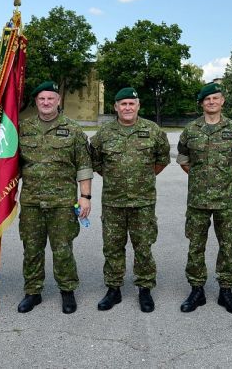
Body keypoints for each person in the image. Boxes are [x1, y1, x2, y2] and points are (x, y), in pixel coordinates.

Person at [90, 87, 170, 313]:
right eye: (123, 104)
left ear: (138, 106)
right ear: (115, 107)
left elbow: (162, 160)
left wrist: (142, 178)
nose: (127, 108)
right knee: (112, 247)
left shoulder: (153, 131)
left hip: (143, 202)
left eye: (131, 104)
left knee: (143, 246)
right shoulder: (104, 134)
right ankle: (113, 288)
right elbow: (95, 161)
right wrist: (114, 177)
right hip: (113, 202)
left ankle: (145, 288)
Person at [17, 81, 93, 314]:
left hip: (62, 203)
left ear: (58, 100)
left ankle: (67, 291)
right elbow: (12, 164)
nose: (46, 102)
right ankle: (33, 292)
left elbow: (84, 165)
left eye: (50, 98)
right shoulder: (23, 128)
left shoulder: (73, 129)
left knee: (62, 249)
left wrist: (85, 196)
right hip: (31, 201)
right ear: (36, 102)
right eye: (42, 99)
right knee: (32, 249)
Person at [176, 82, 232, 314]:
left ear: (222, 101)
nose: (211, 102)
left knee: (227, 246)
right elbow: (183, 159)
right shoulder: (191, 130)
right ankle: (197, 290)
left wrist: (223, 179)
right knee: (196, 246)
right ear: (202, 103)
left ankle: (226, 290)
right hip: (197, 200)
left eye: (215, 98)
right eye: (207, 99)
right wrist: (201, 179)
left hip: (226, 199)